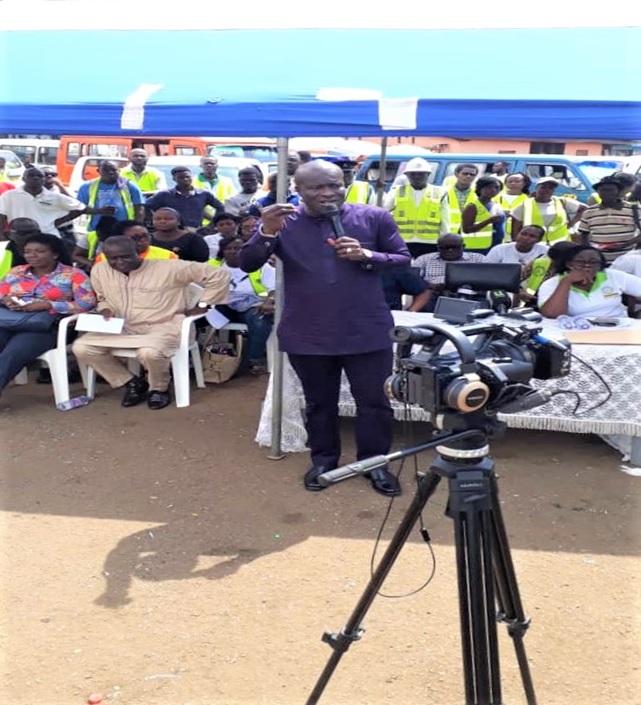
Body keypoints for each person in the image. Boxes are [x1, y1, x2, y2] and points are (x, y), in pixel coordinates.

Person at [239, 160, 410, 497]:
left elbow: (402, 258)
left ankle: (374, 463)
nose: (328, 192)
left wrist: (367, 255)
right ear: (298, 190)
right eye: (317, 187)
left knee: (374, 402)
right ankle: (324, 461)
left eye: (335, 184)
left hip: (366, 328)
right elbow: (247, 262)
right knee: (319, 402)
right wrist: (266, 230)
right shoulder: (283, 222)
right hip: (309, 331)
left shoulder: (373, 217)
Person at [72, 237, 230, 410]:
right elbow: (102, 297)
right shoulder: (100, 270)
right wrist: (105, 309)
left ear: (137, 252)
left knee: (149, 353)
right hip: (124, 326)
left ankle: (159, 389)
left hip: (166, 325)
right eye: (113, 259)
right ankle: (131, 383)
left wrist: (204, 304)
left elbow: (219, 274)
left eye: (125, 257)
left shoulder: (169, 267)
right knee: (81, 347)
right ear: (106, 256)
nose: (120, 262)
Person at [0, 233, 96, 394]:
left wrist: (48, 304)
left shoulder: (73, 274)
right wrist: (8, 299)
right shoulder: (16, 272)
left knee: (13, 353)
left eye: (39, 251)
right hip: (11, 321)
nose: (32, 256)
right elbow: (1, 292)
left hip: (49, 327)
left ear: (55, 254)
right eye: (28, 251)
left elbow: (87, 303)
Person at [211, 236, 275, 374]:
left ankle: (254, 360)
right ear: (222, 251)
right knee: (193, 318)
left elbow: (275, 288)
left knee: (260, 320)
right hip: (221, 306)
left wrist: (269, 301)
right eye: (229, 248)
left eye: (238, 248)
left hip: (251, 305)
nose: (234, 251)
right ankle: (204, 357)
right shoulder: (212, 266)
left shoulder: (260, 266)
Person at [538, 244, 641, 319]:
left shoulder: (614, 276)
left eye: (593, 262)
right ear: (569, 264)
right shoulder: (551, 284)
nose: (587, 266)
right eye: (580, 261)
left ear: (600, 265)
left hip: (618, 327)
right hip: (576, 329)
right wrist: (566, 282)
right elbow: (552, 314)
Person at [75, 161, 145, 258]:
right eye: (106, 170)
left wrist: (136, 227)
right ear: (98, 171)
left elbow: (139, 208)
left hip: (123, 230)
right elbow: (79, 208)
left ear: (119, 171)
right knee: (100, 255)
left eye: (113, 170)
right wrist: (99, 211)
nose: (110, 173)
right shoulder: (87, 186)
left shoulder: (129, 186)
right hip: (98, 231)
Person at [383, 157, 449, 258]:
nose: (417, 177)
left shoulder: (440, 192)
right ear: (407, 175)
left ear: (428, 175)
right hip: (403, 241)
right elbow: (383, 212)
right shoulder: (396, 191)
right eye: (413, 174)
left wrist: (444, 240)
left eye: (421, 174)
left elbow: (445, 220)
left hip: (430, 242)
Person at [0, 167, 87, 237]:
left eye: (53, 175)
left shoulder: (56, 195)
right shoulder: (11, 195)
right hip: (20, 237)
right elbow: (1, 215)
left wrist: (58, 222)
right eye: (31, 176)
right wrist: (2, 232)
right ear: (23, 178)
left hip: (49, 236)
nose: (36, 178)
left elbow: (79, 207)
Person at [414, 233, 487, 311]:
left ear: (463, 246)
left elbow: (490, 278)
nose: (450, 250)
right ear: (438, 248)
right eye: (445, 248)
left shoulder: (478, 259)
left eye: (454, 247)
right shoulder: (424, 259)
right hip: (434, 295)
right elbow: (412, 279)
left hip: (470, 294)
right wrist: (430, 285)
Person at [577, 176, 640, 263]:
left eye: (611, 190)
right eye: (603, 190)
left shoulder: (633, 209)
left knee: (625, 277)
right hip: (600, 262)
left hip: (628, 260)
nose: (606, 193)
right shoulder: (589, 212)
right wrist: (590, 253)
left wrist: (623, 246)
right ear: (598, 193)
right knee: (601, 277)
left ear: (618, 192)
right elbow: (584, 234)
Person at [145, 166, 224, 229]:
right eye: (180, 177)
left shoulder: (203, 194)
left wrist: (212, 224)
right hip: (173, 232)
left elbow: (220, 207)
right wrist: (158, 222)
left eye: (187, 177)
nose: (185, 179)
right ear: (174, 179)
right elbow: (147, 206)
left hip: (197, 231)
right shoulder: (165, 195)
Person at [511, 177, 585, 244]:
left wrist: (571, 224)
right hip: (534, 246)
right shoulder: (525, 205)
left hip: (560, 245)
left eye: (550, 188)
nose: (546, 190)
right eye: (543, 187)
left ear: (553, 191)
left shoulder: (562, 201)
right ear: (536, 188)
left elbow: (584, 209)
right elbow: (515, 230)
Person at [94, 221, 178, 263]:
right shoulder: (103, 258)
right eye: (135, 238)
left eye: (145, 236)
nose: (142, 240)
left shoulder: (168, 256)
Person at [461, 176, 505, 252]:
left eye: (497, 187)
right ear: (480, 188)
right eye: (489, 187)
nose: (493, 190)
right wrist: (488, 221)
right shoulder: (472, 206)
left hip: (494, 245)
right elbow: (466, 229)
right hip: (475, 247)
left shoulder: (495, 204)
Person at [495, 172, 531, 240]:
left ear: (525, 183)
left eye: (517, 181)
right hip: (497, 232)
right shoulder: (496, 197)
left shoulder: (528, 199)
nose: (513, 183)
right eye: (510, 181)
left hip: (517, 234)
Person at [446, 163, 479, 234]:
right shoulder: (444, 192)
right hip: (447, 233)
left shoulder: (479, 194)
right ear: (456, 174)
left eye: (472, 174)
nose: (468, 176)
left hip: (469, 234)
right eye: (465, 173)